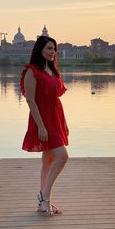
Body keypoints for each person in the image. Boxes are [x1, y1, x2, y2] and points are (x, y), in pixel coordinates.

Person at [20, 35, 69, 216]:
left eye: (54, 49)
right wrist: (41, 126)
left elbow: (55, 99)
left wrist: (64, 123)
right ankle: (45, 195)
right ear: (40, 50)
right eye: (49, 48)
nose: (53, 52)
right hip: (41, 119)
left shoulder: (52, 71)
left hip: (56, 118)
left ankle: (43, 202)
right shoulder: (32, 71)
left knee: (48, 159)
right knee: (62, 156)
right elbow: (31, 100)